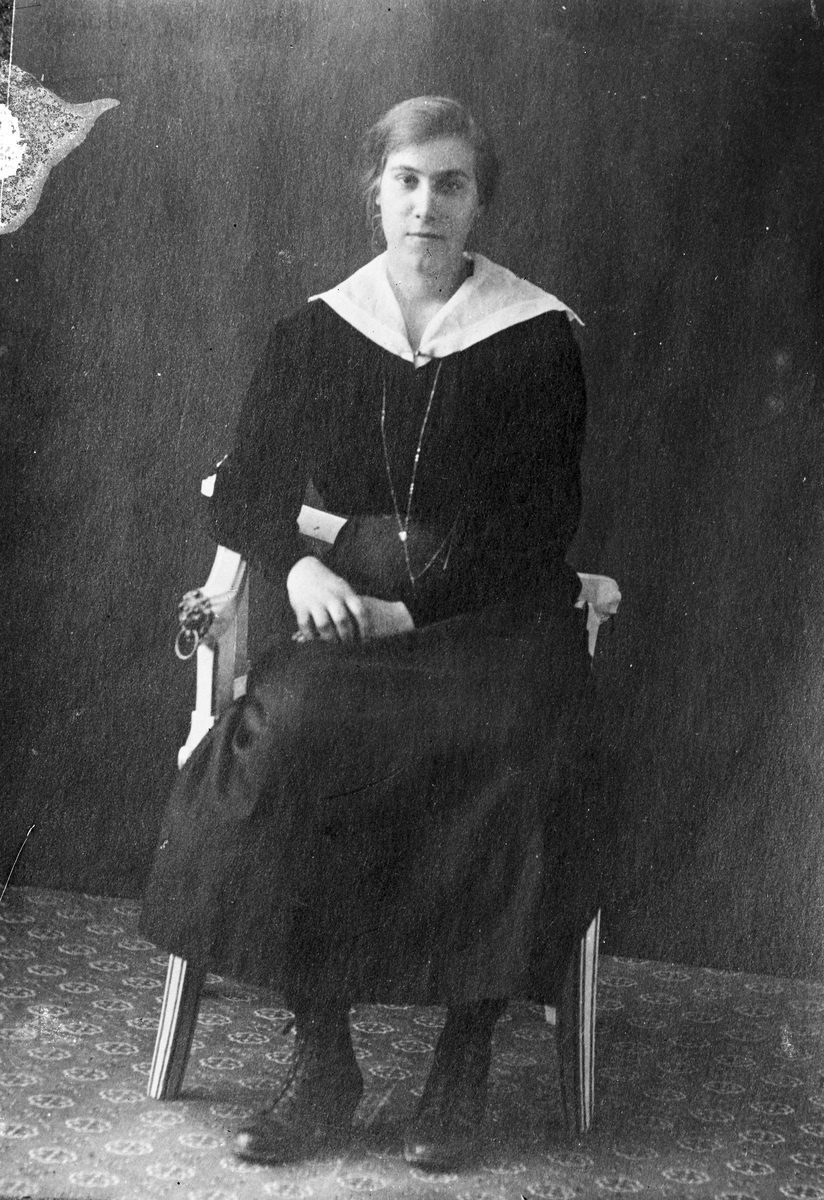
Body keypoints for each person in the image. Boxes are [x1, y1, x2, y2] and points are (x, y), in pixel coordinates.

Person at [140, 95, 599, 1172]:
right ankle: (322, 1057)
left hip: (491, 620)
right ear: (375, 194)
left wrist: (419, 608)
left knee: (510, 746)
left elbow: (541, 523)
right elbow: (245, 489)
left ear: (479, 203)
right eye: (407, 182)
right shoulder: (316, 333)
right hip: (349, 618)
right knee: (292, 732)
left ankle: (461, 1061)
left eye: (450, 185)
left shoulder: (536, 339)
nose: (426, 205)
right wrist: (298, 565)